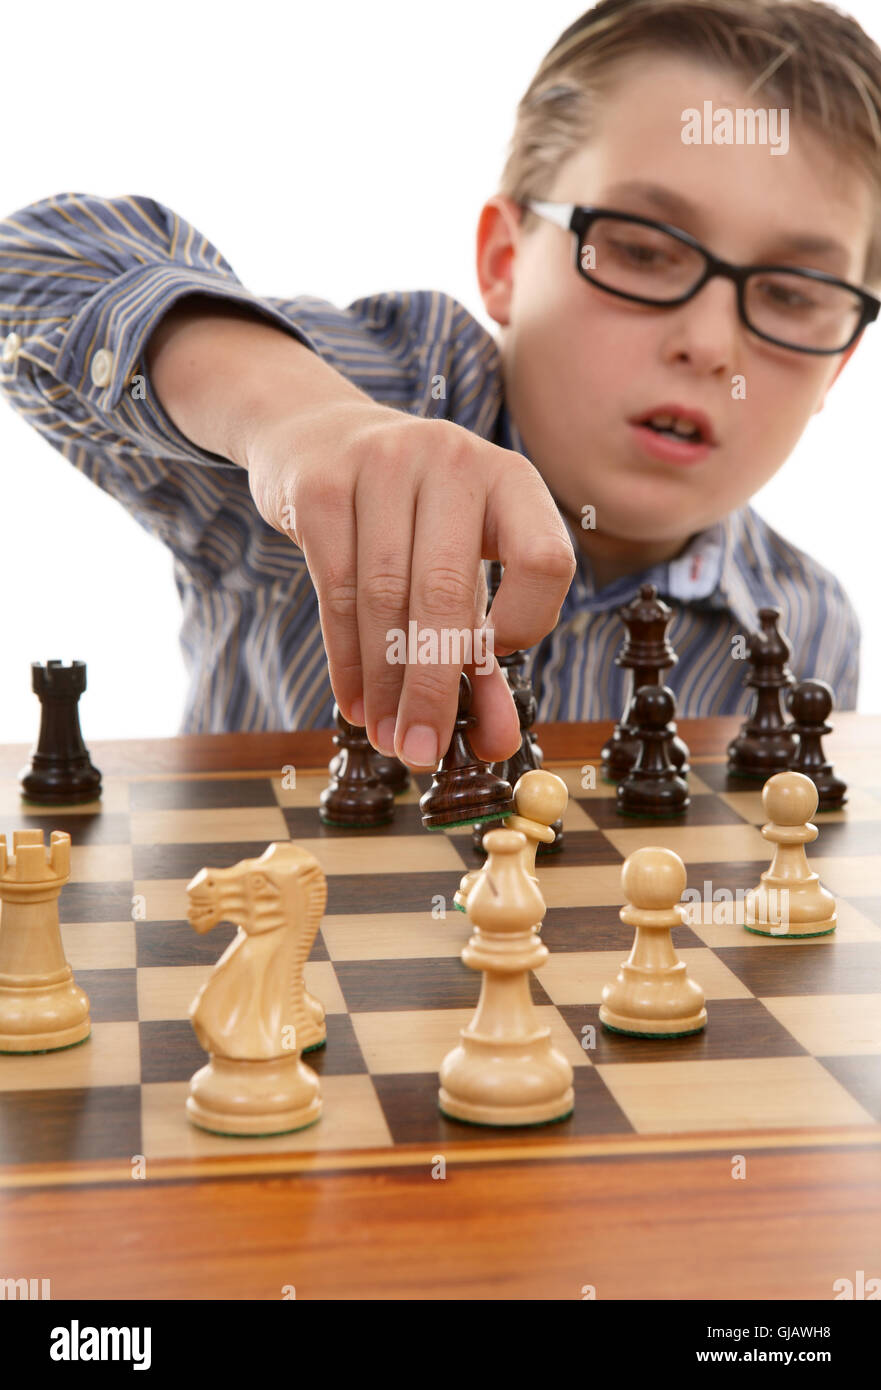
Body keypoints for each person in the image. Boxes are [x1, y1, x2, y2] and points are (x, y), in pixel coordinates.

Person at [1, 0, 879, 768]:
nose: (706, 343)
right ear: (504, 260)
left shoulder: (812, 629)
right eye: (643, 249)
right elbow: (34, 261)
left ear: (838, 360)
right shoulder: (389, 397)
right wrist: (296, 419)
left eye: (794, 295)